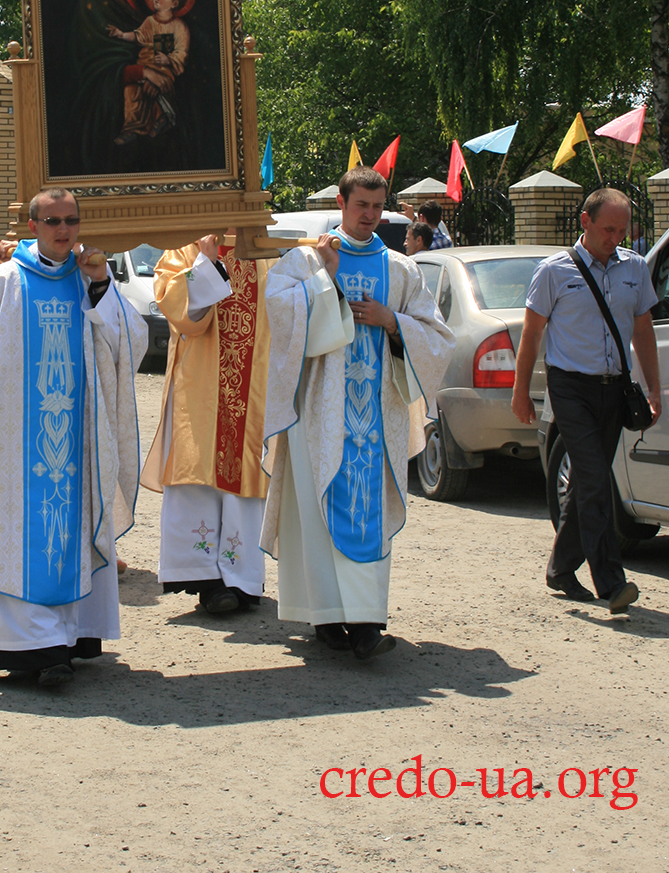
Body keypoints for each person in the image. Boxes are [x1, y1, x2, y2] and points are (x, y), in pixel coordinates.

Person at [0, 187, 146, 685]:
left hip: (78, 441)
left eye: (71, 220)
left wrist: (100, 289)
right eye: (52, 222)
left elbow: (131, 345)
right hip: (13, 445)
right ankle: (33, 648)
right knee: (14, 537)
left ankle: (67, 638)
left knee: (71, 530)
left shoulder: (90, 278)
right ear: (32, 226)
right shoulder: (4, 281)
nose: (63, 230)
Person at [262, 168, 454, 660]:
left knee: (366, 514)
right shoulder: (308, 257)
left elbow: (437, 339)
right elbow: (277, 312)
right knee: (319, 510)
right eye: (361, 205)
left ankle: (367, 621)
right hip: (320, 412)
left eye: (377, 206)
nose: (369, 215)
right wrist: (326, 278)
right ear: (343, 205)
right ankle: (325, 617)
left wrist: (393, 322)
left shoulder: (402, 269)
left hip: (377, 415)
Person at [512, 188, 661, 613]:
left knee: (586, 483)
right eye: (608, 229)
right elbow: (531, 335)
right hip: (570, 388)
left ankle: (560, 568)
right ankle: (611, 582)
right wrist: (522, 394)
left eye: (622, 229)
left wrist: (653, 388)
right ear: (585, 221)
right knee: (595, 477)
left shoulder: (634, 267)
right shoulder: (554, 271)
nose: (615, 237)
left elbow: (645, 331)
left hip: (616, 388)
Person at [142, 230, 273, 614]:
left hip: (251, 386)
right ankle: (205, 579)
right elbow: (180, 313)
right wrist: (207, 262)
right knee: (198, 473)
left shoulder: (262, 247)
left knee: (243, 478)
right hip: (200, 385)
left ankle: (243, 579)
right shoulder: (184, 245)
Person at [107, 0, 196, 145]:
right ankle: (132, 128)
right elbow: (138, 36)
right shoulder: (149, 21)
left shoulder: (179, 27)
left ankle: (161, 120)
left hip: (165, 71)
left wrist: (169, 59)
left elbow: (182, 53)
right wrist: (121, 34)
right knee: (131, 91)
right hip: (146, 66)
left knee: (153, 92)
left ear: (174, 3)